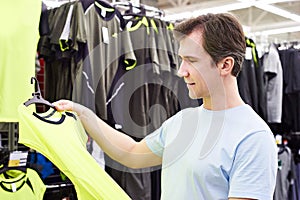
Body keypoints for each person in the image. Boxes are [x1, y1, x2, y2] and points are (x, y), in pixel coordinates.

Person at [54, 13, 277, 200]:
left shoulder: (253, 137)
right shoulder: (184, 121)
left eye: (192, 61)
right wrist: (83, 114)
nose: (181, 71)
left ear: (225, 65)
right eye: (181, 60)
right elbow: (132, 153)